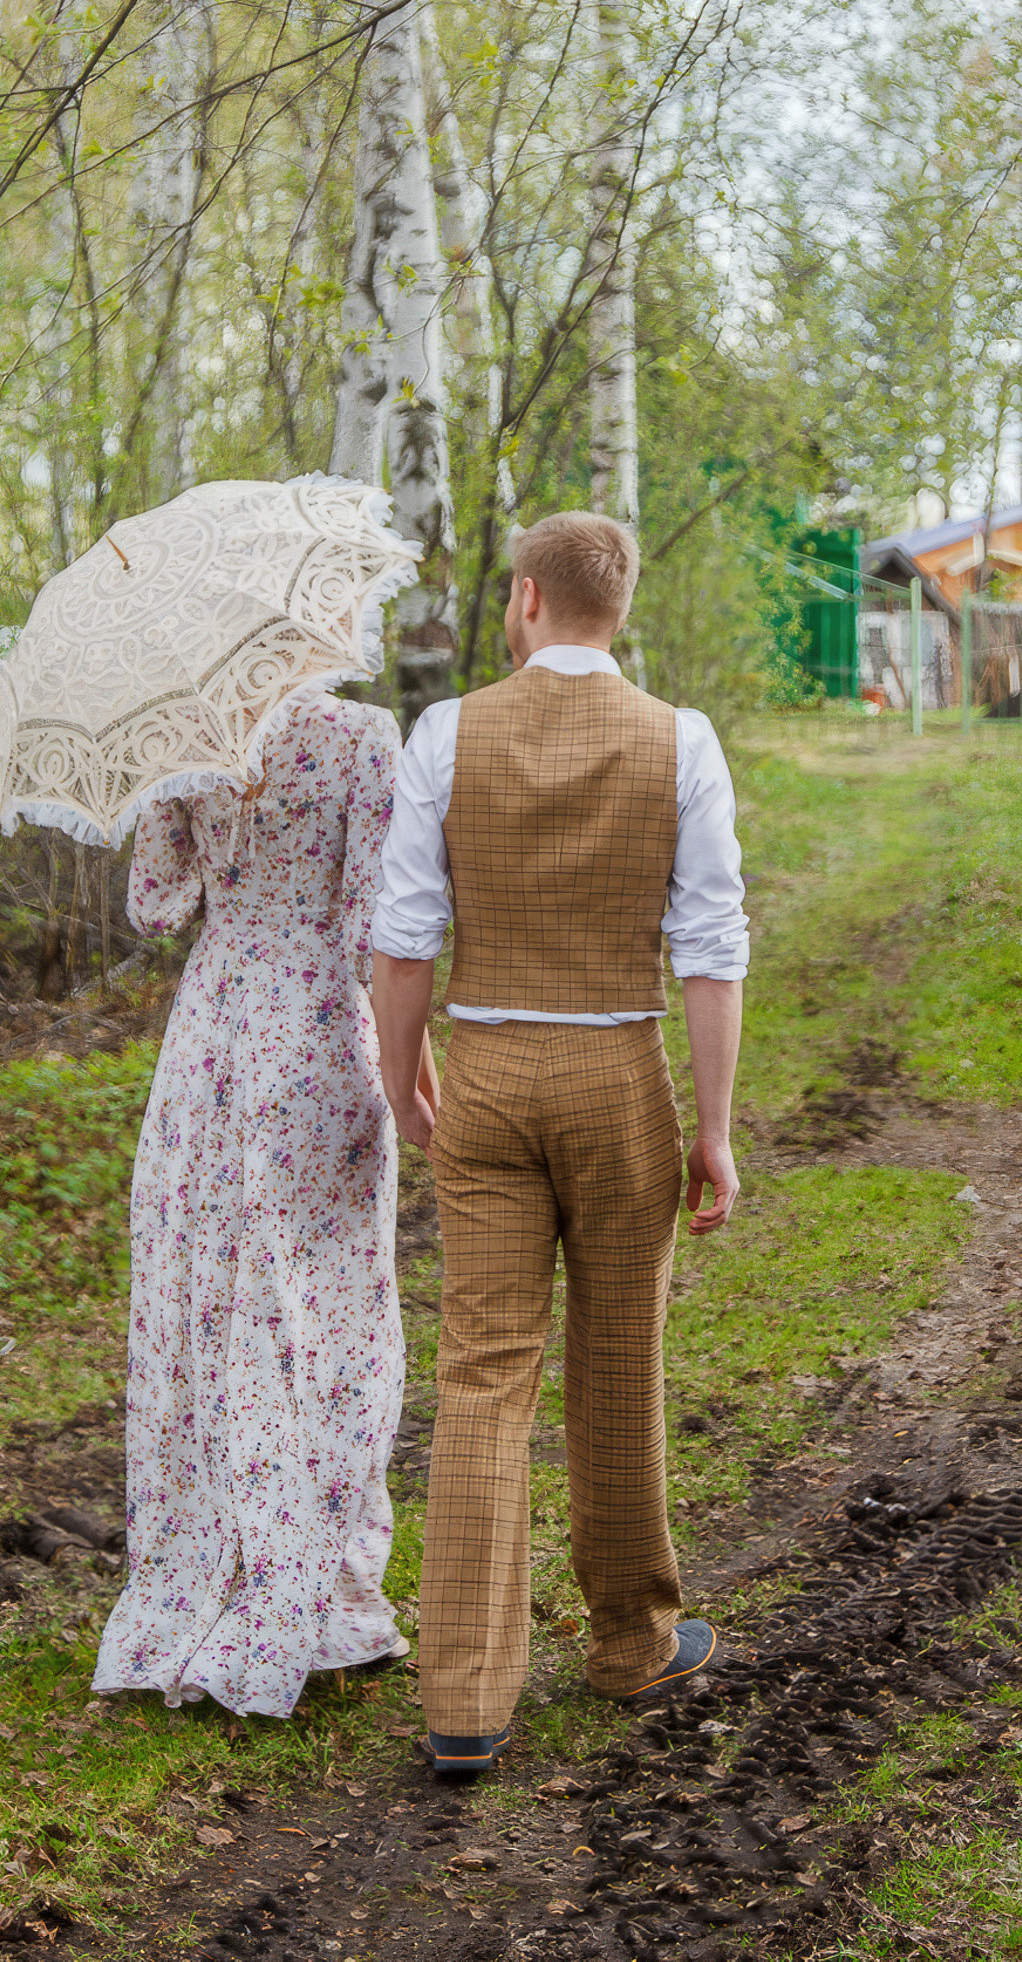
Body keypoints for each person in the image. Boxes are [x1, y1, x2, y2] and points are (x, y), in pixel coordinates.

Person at [370, 510, 748, 1782]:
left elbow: (405, 930)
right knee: (617, 1358)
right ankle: (634, 1642)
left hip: (481, 1078)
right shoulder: (679, 741)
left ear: (526, 598)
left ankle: (466, 1695)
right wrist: (716, 1126)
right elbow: (709, 949)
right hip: (617, 1073)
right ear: (618, 606)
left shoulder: (446, 732)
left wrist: (399, 1074)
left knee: (482, 1370)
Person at [92, 689, 440, 1718]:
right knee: (328, 1301)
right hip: (322, 1025)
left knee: (207, 1302)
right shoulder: (360, 736)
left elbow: (155, 906)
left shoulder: (181, 743)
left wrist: (173, 795)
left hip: (213, 1033)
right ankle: (321, 1582)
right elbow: (380, 913)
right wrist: (419, 1068)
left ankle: (223, 1562)